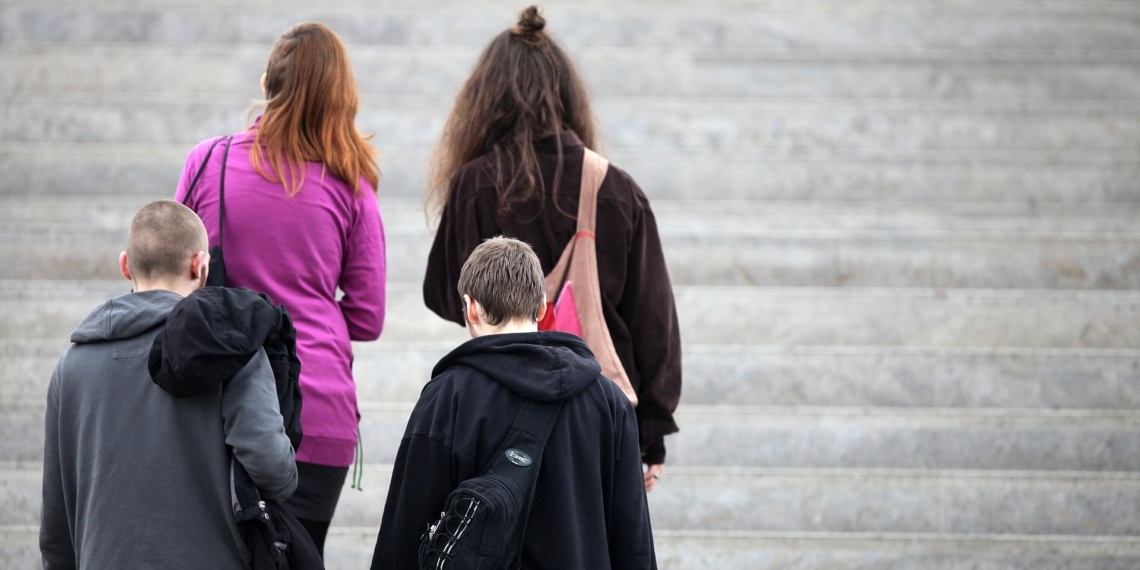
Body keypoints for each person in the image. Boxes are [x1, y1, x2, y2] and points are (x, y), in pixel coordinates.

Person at [422, 5, 681, 491]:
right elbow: (654, 321)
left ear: (485, 101)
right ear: (567, 98)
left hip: (494, 409)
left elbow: (441, 292)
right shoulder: (615, 189)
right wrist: (652, 434)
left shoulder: (474, 184)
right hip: (599, 414)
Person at [176, 22, 387, 553]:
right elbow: (367, 316)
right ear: (342, 99)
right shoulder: (351, 185)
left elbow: (176, 277)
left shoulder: (208, 163)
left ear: (268, 83)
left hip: (216, 406)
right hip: (316, 412)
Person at [40, 200, 298, 570]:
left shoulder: (71, 367)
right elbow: (273, 472)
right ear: (200, 265)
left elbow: (56, 522)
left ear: (125, 265)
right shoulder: (233, 350)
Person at [372, 237, 656, 569]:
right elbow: (632, 538)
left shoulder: (447, 397)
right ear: (541, 308)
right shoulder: (609, 402)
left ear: (471, 307)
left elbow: (405, 528)